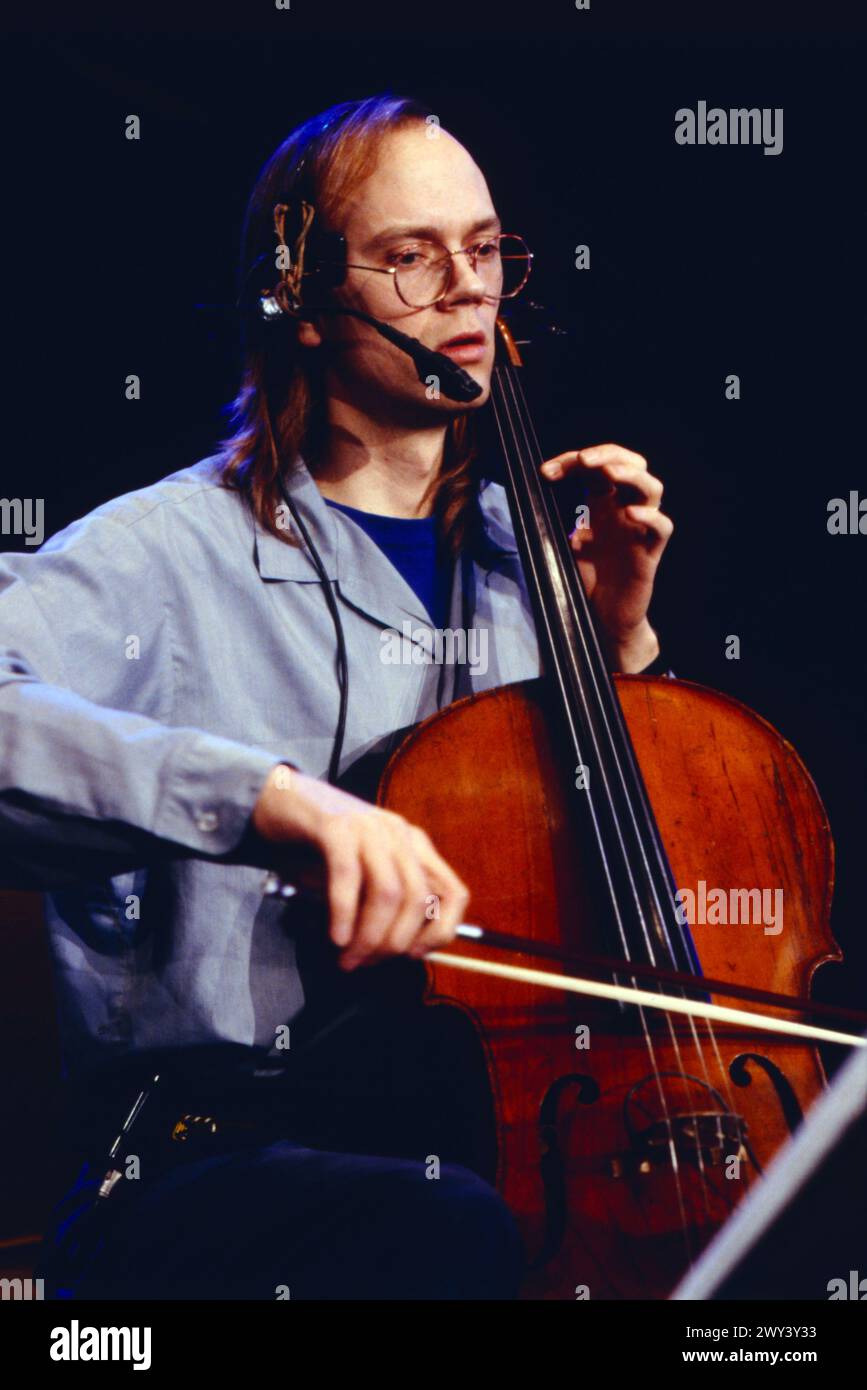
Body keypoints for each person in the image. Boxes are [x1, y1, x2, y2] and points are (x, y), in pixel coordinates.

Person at [2, 93, 672, 1300]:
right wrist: (269, 800)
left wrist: (615, 648)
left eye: (486, 250)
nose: (467, 289)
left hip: (492, 1138)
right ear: (299, 302)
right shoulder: (166, 551)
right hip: (214, 1171)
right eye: (413, 258)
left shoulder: (539, 564)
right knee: (442, 1231)